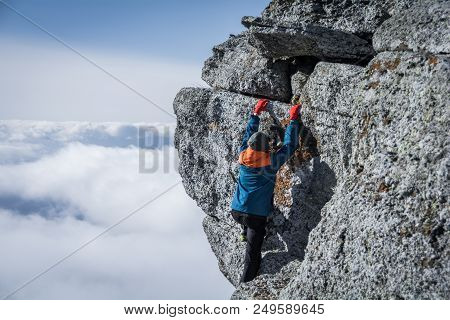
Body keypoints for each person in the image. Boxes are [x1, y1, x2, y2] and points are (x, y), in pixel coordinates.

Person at [230, 98, 302, 283]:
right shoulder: (271, 163)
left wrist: (255, 113)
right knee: (252, 255)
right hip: (255, 218)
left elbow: (248, 136)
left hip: (236, 211)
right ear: (266, 149)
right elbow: (289, 146)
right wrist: (293, 120)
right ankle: (245, 285)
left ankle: (244, 232)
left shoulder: (243, 156)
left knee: (248, 215)